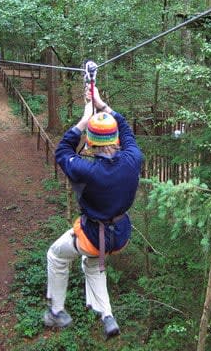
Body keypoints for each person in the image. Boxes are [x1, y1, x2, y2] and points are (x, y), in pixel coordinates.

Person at [44, 84, 143, 339]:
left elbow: (62, 151)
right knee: (92, 264)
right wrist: (102, 105)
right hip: (120, 235)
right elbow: (126, 129)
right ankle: (107, 315)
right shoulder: (133, 159)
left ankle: (56, 310)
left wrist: (84, 119)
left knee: (56, 255)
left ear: (90, 141)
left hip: (92, 236)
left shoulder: (86, 170)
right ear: (115, 139)